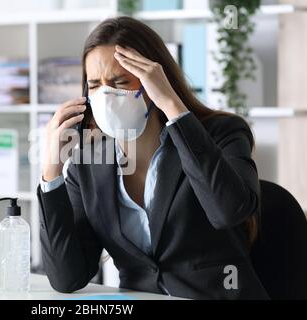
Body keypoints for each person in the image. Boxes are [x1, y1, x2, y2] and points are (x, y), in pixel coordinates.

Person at [36, 16, 268, 300]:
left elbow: (228, 212)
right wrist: (51, 171)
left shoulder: (222, 133)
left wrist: (173, 106)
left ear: (155, 81)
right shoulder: (88, 163)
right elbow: (66, 277)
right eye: (95, 85)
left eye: (120, 81)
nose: (106, 94)